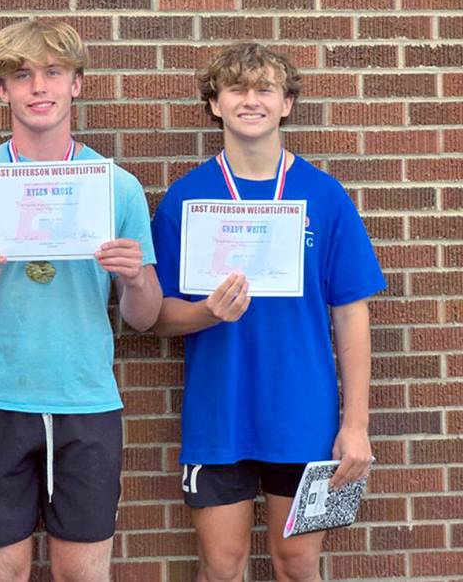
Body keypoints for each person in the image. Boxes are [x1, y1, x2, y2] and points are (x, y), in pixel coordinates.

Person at [150, 43, 385, 582]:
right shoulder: (187, 198)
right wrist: (206, 313)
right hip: (219, 415)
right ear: (214, 104)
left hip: (307, 418)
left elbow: (352, 314)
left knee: (299, 564)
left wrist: (356, 426)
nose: (250, 100)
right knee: (222, 565)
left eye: (265, 89)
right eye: (236, 89)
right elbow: (158, 315)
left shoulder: (325, 197)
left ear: (286, 104)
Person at [0, 19, 162, 581]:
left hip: (86, 400)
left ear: (76, 85)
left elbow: (144, 317)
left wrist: (136, 279)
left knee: (83, 575)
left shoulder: (116, 185)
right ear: (2, 90)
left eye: (53, 73)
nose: (39, 88)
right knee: (0, 573)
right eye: (22, 76)